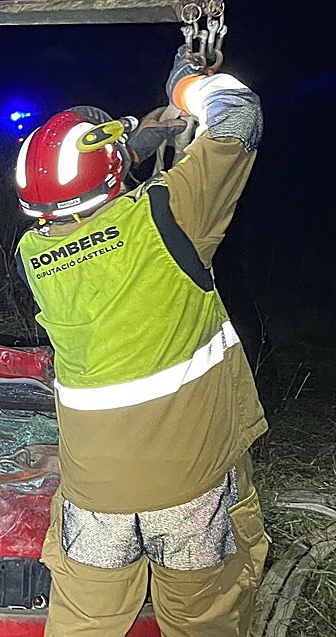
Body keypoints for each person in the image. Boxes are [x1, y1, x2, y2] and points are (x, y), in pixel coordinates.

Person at [14, 46, 267, 636]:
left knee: (83, 623)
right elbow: (239, 116)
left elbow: (94, 187)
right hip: (192, 489)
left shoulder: (35, 253)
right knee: (202, 616)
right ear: (111, 172)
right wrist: (187, 87)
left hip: (94, 495)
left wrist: (141, 135)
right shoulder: (168, 215)